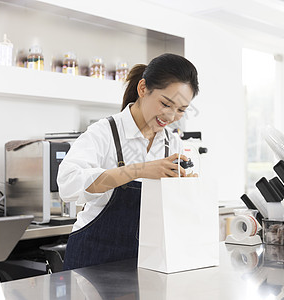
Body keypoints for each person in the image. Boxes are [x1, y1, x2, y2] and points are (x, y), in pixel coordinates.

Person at [57, 53, 199, 270]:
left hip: (148, 259)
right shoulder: (104, 132)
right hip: (93, 256)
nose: (171, 116)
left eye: (181, 110)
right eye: (165, 104)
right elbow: (68, 184)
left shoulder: (173, 143)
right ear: (143, 89)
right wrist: (139, 170)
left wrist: (185, 188)